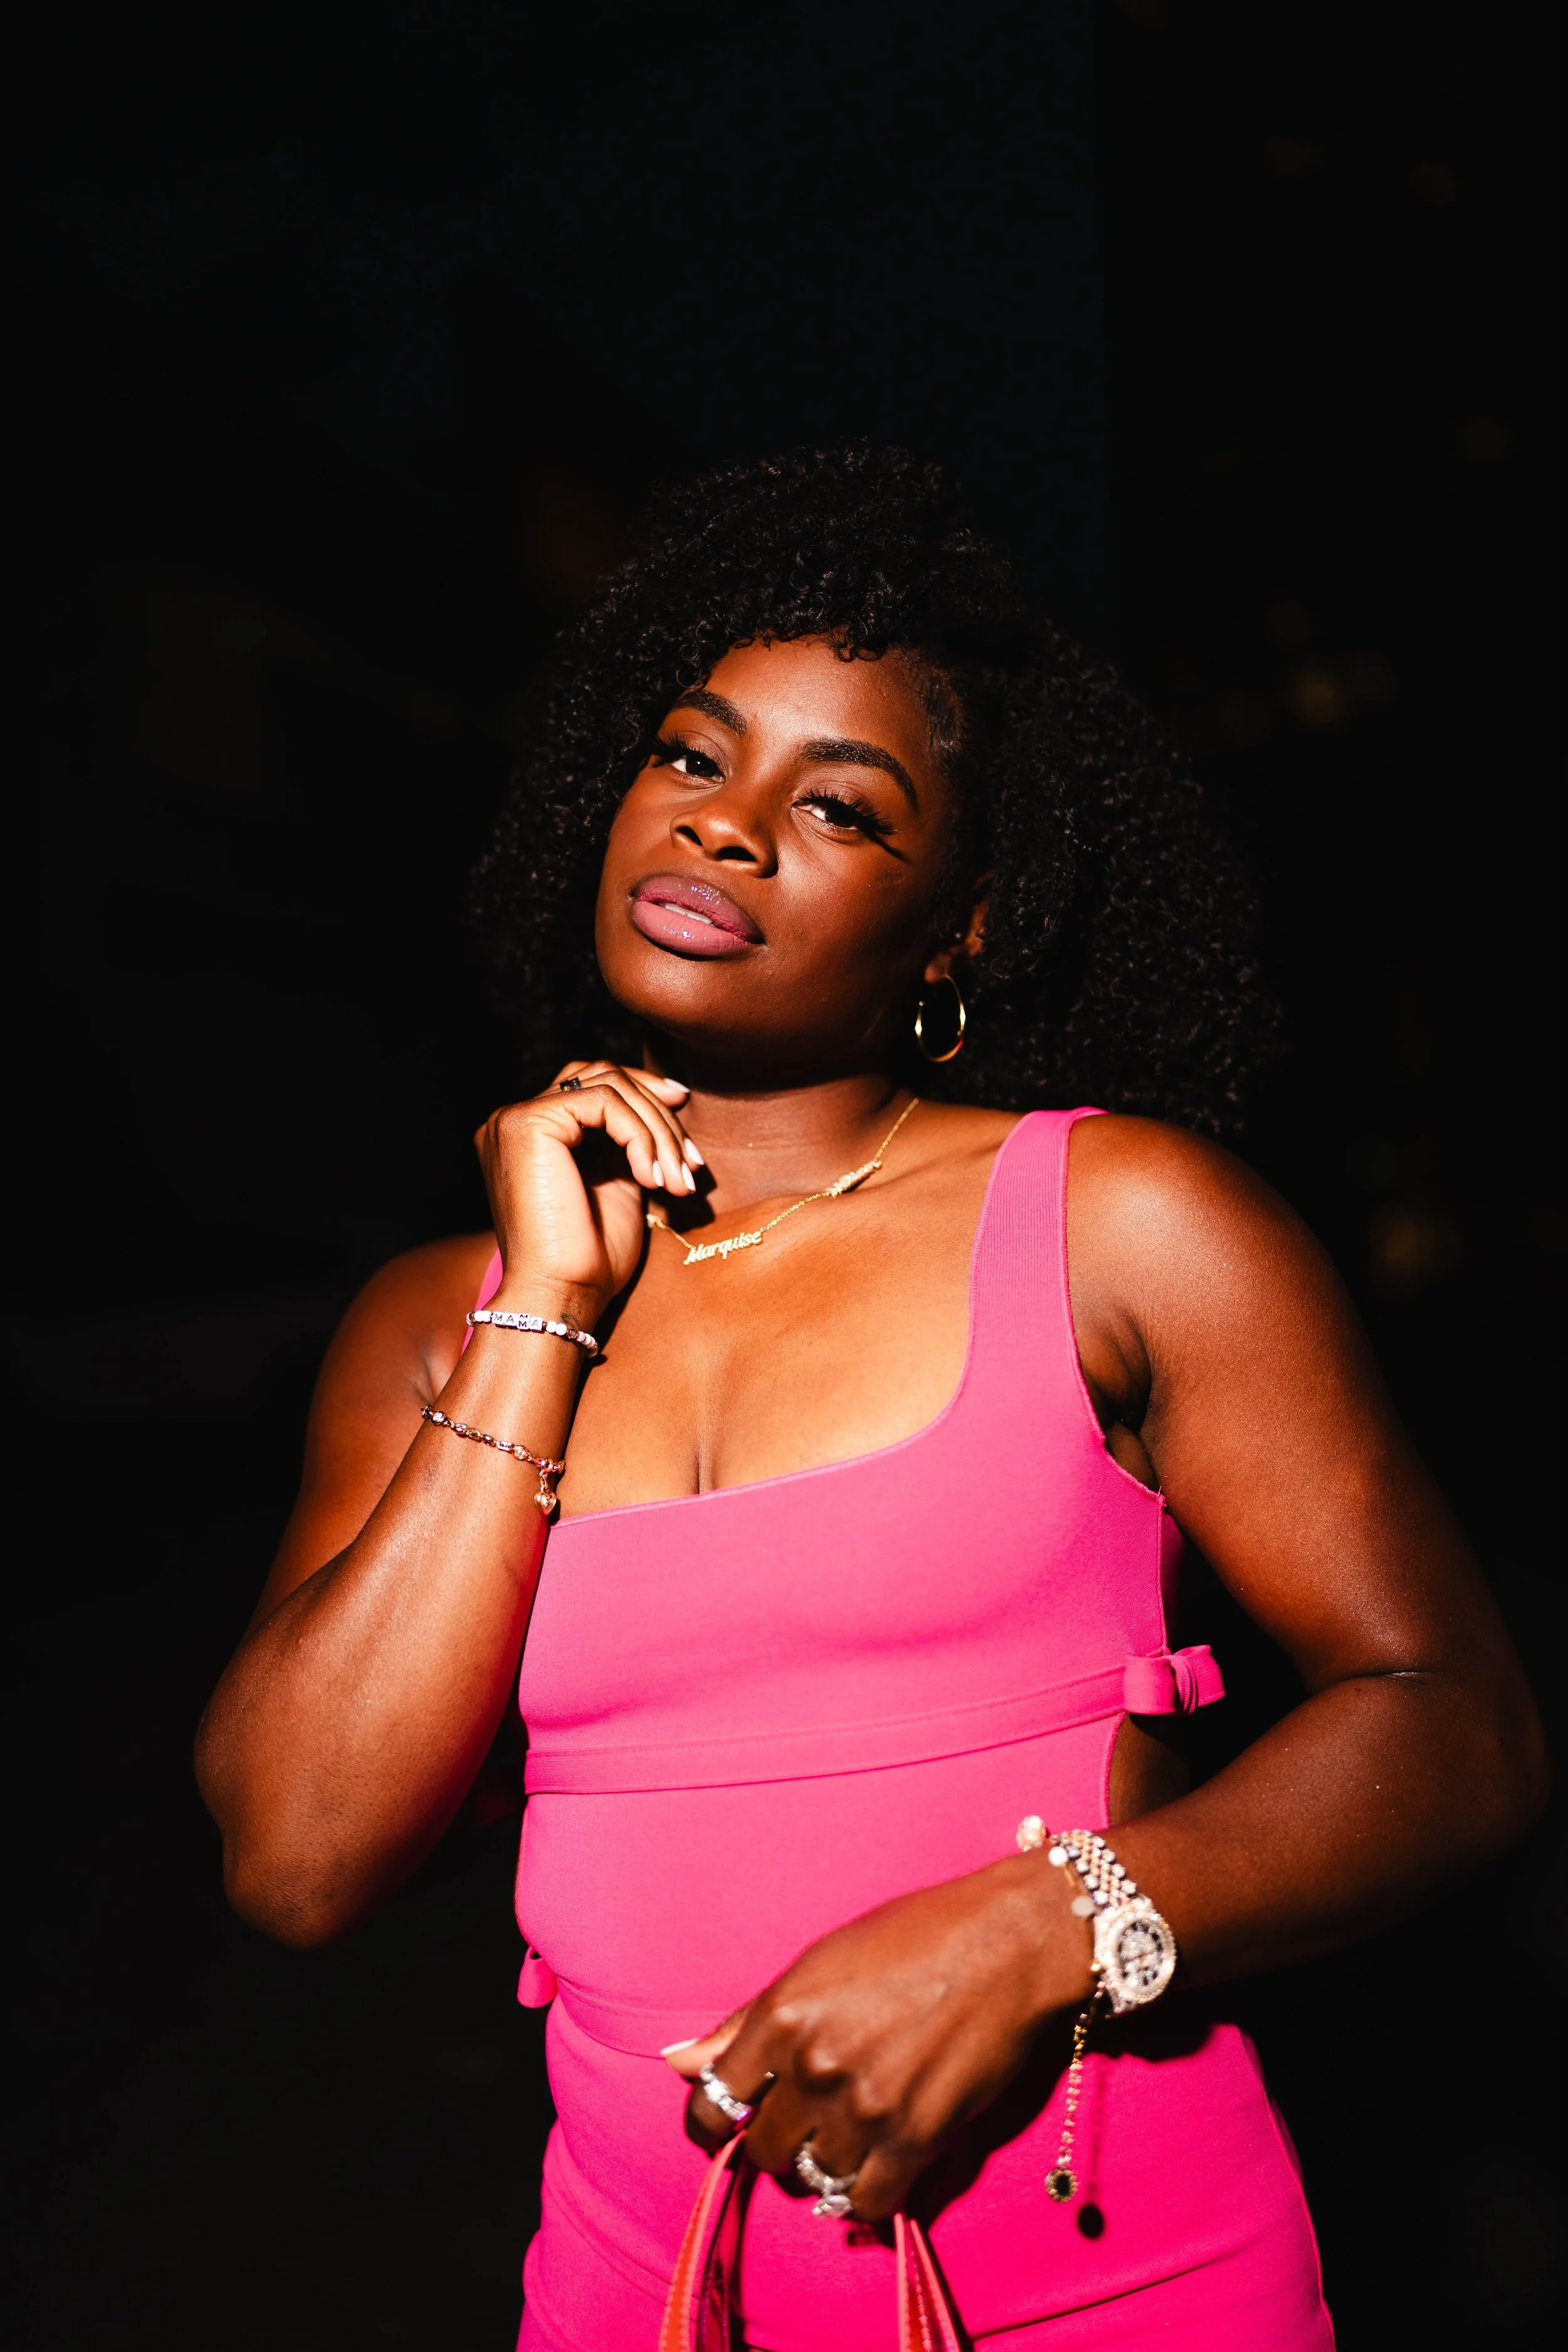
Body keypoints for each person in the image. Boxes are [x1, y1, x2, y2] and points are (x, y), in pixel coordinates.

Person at [196, 447, 1545, 2350]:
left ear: (962, 925)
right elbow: (300, 1849)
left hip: (1116, 2280)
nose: (728, 830)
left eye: (836, 804)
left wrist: (1039, 1923)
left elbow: (1453, 1724)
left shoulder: (1113, 1224)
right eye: (690, 757)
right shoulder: (447, 1313)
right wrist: (546, 1309)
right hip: (642, 2296)